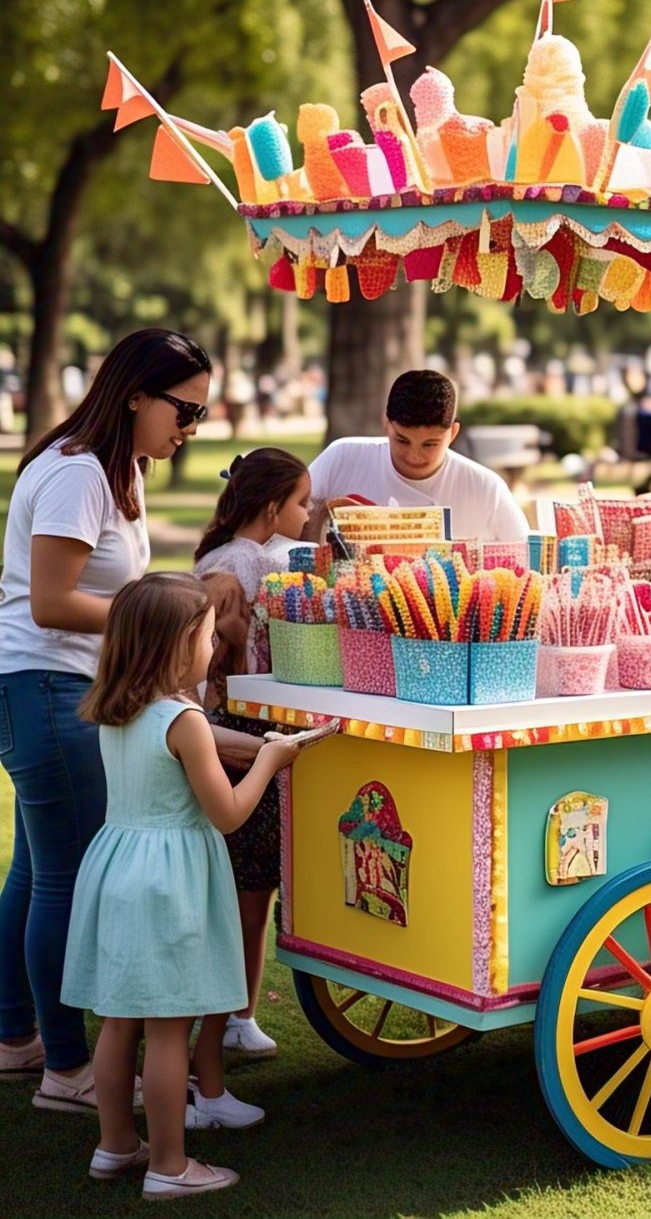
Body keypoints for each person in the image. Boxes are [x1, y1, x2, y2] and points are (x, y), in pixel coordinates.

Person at [0, 328, 212, 1108]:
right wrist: (155, 616)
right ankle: (65, 1068)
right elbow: (51, 601)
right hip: (47, 687)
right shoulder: (76, 472)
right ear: (134, 394)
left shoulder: (119, 469)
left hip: (54, 687)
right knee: (65, 876)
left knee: (35, 871)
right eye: (184, 411)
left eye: (200, 414)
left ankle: (16, 1038)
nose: (189, 430)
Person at [61, 575, 306, 1197]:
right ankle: (170, 1166)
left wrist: (259, 745)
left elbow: (178, 755)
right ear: (176, 648)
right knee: (171, 1028)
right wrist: (273, 763)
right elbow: (226, 813)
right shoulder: (187, 719)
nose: (213, 648)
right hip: (168, 881)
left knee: (120, 1023)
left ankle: (115, 1145)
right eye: (205, 637)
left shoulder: (116, 706)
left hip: (118, 868)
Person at [192, 448, 312, 1076]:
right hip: (250, 724)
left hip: (228, 721)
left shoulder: (219, 556)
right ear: (271, 507)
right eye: (300, 502)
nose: (309, 511)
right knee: (251, 883)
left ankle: (236, 1014)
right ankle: (236, 1014)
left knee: (246, 881)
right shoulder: (255, 564)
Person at [306, 369, 527, 542]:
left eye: (430, 444)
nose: (414, 455)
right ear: (386, 424)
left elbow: (528, 562)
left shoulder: (485, 488)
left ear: (453, 433)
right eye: (402, 440)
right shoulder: (343, 458)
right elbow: (286, 522)